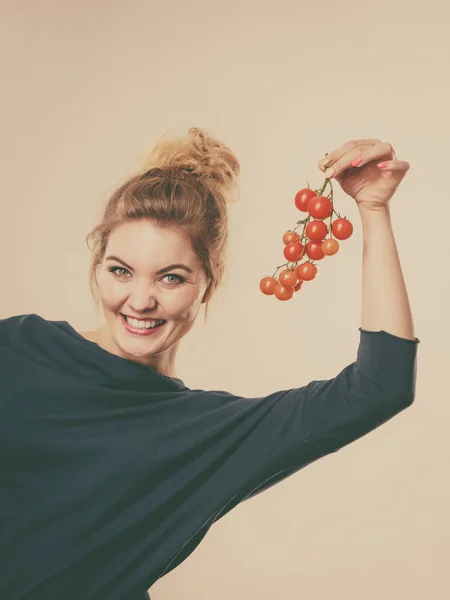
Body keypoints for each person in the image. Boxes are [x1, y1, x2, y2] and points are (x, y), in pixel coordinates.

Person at [0, 128, 420, 600]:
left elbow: (381, 385)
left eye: (171, 278)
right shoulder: (17, 348)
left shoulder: (208, 432)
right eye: (121, 270)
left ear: (207, 283)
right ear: (98, 267)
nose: (140, 300)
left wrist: (374, 209)